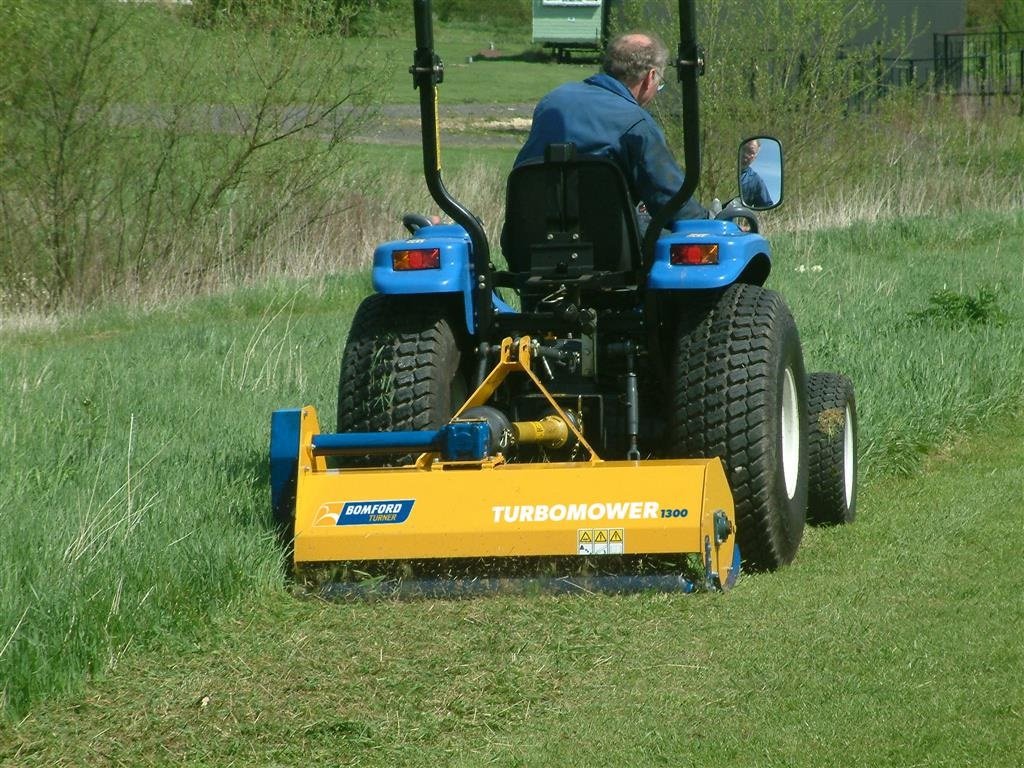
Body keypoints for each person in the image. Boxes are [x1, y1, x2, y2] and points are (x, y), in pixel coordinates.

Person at [514, 32, 708, 223]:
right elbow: (672, 203)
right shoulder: (638, 124)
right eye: (659, 84)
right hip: (605, 247)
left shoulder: (553, 101)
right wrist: (709, 220)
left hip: (529, 236)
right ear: (650, 77)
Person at [739, 139, 773, 208]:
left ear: (755, 157)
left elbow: (766, 207)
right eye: (744, 149)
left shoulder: (755, 180)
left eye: (751, 152)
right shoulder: (721, 168)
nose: (745, 154)